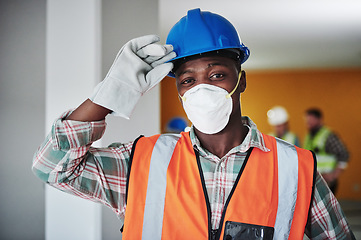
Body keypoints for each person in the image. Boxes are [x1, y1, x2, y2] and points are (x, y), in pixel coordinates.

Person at [32, 8, 355, 240]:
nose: (202, 88)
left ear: (240, 82)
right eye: (188, 80)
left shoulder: (295, 167)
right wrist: (109, 95)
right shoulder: (141, 161)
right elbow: (53, 168)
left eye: (217, 75)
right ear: (179, 89)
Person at [303, 108, 349, 195]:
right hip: (313, 181)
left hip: (326, 182)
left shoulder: (328, 136)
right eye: (306, 120)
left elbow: (344, 154)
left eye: (310, 120)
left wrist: (333, 175)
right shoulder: (309, 136)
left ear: (319, 119)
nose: (308, 123)